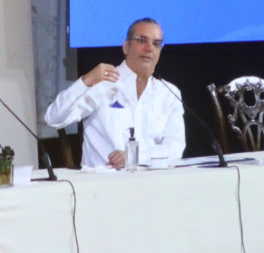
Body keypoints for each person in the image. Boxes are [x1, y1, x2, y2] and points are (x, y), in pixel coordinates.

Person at [43, 18, 185, 170]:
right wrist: (86, 81)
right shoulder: (101, 84)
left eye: (156, 43)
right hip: (103, 181)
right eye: (142, 40)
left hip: (152, 180)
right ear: (126, 47)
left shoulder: (168, 93)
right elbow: (54, 118)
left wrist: (134, 157)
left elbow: (175, 148)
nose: (149, 48)